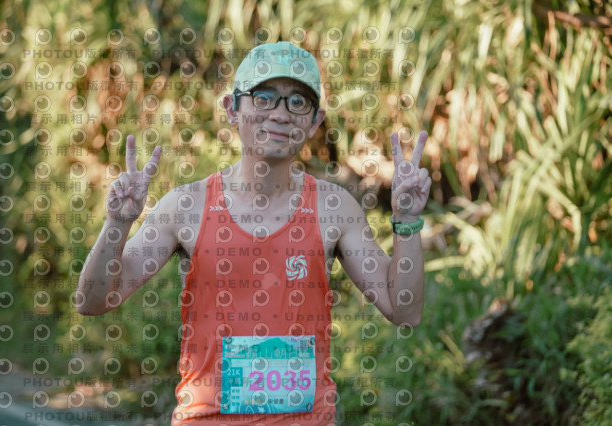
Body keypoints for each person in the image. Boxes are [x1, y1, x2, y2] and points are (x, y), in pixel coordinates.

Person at [77, 41, 431, 425]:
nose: (280, 114)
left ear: (315, 121)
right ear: (232, 109)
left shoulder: (334, 208)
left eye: (298, 102)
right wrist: (117, 224)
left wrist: (407, 221)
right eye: (263, 98)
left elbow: (404, 310)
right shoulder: (186, 206)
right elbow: (93, 300)